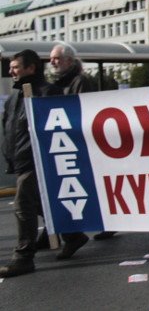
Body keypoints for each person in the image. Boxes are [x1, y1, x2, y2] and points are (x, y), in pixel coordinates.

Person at [1, 50, 62, 277]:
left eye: (16, 67)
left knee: (22, 203)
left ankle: (23, 256)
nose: (11, 71)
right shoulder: (16, 97)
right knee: (37, 202)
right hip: (20, 159)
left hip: (36, 160)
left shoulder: (48, 93)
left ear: (31, 68)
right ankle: (73, 235)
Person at [48, 45, 98, 251]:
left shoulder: (80, 81)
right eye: (51, 59)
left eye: (56, 58)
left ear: (69, 60)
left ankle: (72, 234)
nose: (52, 62)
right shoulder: (59, 82)